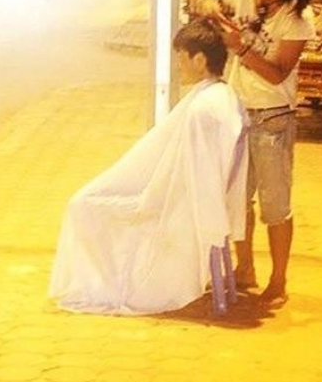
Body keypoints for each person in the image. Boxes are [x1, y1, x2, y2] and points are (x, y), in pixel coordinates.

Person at [49, 19, 249, 316]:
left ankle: (100, 284)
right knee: (87, 201)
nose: (179, 67)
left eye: (181, 59)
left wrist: (151, 198)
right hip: (193, 197)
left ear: (199, 59)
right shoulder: (222, 96)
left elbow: (191, 176)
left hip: (180, 202)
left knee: (82, 205)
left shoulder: (203, 108)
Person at [180, 0, 316, 306]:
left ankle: (278, 280)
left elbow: (277, 74)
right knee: (238, 200)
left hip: (273, 116)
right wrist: (208, 0)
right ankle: (245, 269)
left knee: (275, 206)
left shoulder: (298, 18)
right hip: (237, 112)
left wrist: (240, 48)